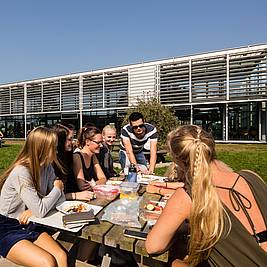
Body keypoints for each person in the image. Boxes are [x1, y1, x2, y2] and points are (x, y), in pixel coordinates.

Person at [145, 125, 267, 266]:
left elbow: (153, 246)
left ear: (179, 162)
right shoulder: (251, 176)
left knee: (175, 263)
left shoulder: (189, 195)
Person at [0, 126, 67, 267]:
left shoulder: (47, 166)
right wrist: (57, 188)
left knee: (61, 256)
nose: (56, 150)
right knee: (47, 262)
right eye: (53, 147)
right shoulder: (21, 172)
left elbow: (61, 201)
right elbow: (43, 208)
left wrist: (34, 209)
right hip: (7, 226)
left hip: (31, 222)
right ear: (41, 148)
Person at [53, 123, 94, 201]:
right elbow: (51, 196)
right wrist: (75, 195)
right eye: (69, 139)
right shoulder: (52, 161)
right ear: (60, 140)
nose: (73, 142)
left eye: (72, 138)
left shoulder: (68, 156)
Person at [73, 126, 107, 191]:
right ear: (87, 142)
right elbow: (82, 186)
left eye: (101, 142)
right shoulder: (77, 157)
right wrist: (96, 183)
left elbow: (103, 178)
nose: (101, 145)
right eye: (98, 142)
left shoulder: (93, 156)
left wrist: (93, 184)